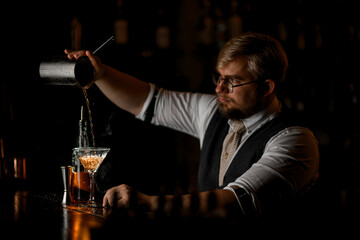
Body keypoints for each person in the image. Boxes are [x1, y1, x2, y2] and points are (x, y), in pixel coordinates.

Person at [65, 32, 319, 220]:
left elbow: (234, 200)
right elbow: (148, 100)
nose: (219, 89)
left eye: (232, 81)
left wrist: (148, 203)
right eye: (219, 77)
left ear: (266, 87)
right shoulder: (213, 111)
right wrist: (101, 74)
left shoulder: (294, 141)